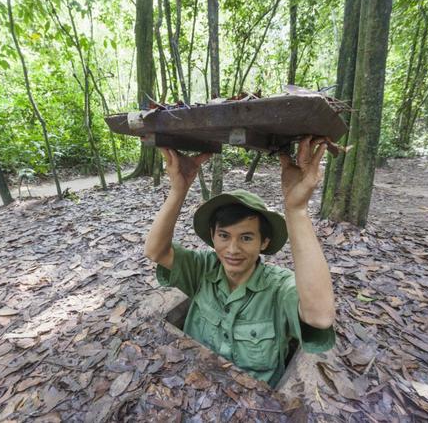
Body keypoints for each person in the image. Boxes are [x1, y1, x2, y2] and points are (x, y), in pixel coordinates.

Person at [144, 137, 336, 387]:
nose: (232, 249)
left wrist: (296, 210)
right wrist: (178, 189)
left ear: (264, 242)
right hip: (191, 388)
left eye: (246, 238)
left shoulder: (279, 289)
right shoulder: (202, 268)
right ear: (213, 236)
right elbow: (156, 251)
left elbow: (320, 317)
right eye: (224, 236)